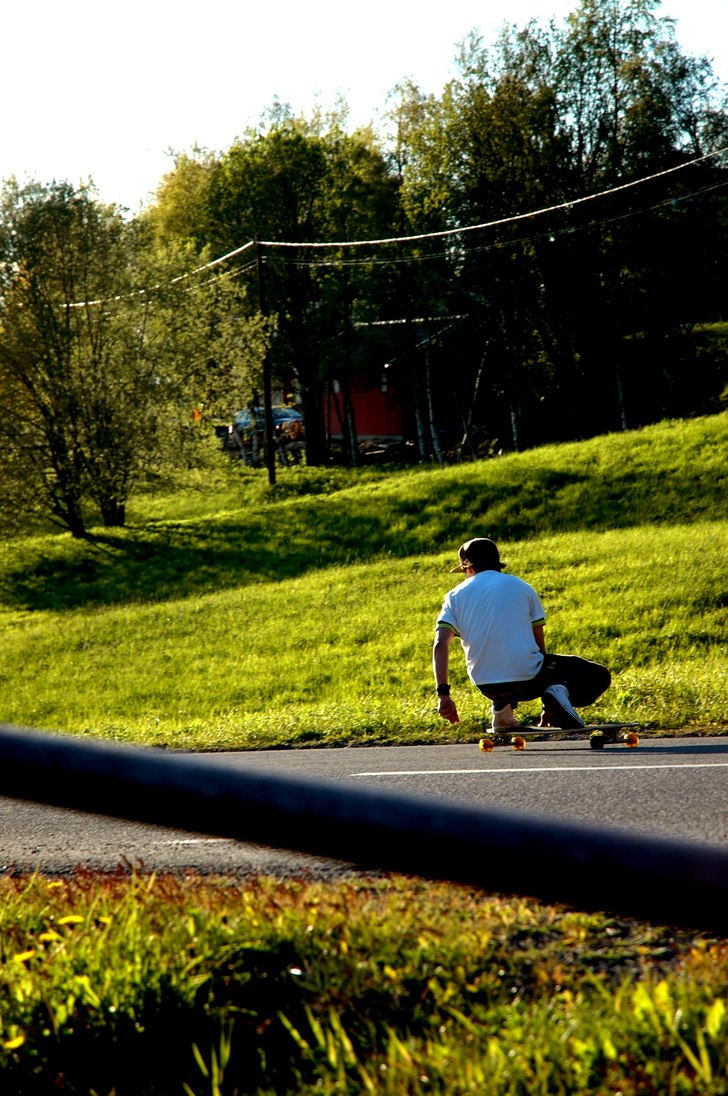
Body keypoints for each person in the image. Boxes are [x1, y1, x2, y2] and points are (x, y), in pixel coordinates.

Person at [432, 537, 611, 731]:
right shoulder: (522, 587)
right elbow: (538, 643)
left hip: (485, 685)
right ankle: (556, 696)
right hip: (528, 679)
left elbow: (441, 644)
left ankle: (502, 714)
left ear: (468, 568)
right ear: (498, 565)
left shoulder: (454, 596)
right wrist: (548, 692)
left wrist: (443, 694)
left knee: (500, 664)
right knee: (598, 675)